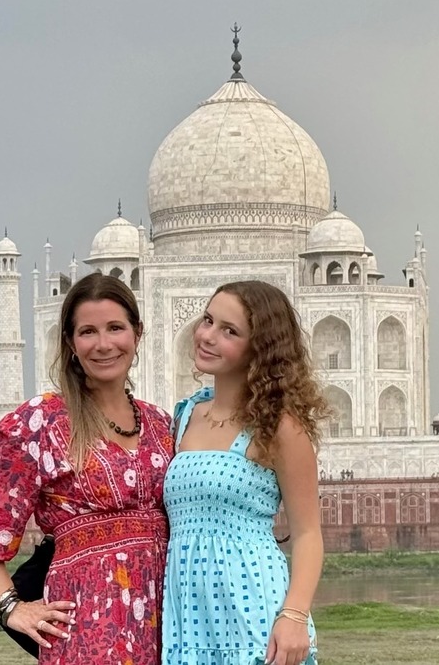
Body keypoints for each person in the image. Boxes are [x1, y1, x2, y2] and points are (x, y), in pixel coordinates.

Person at [0, 273, 174, 665]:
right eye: (88, 332)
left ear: (138, 333)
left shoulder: (163, 425)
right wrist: (11, 606)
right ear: (70, 342)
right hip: (87, 623)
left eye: (115, 328)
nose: (103, 344)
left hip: (169, 617)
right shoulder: (42, 422)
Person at [162, 281, 329, 665]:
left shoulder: (279, 427)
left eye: (229, 331)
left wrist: (294, 616)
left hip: (252, 606)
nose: (207, 336)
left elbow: (307, 534)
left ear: (260, 349)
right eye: (207, 321)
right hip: (188, 615)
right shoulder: (185, 415)